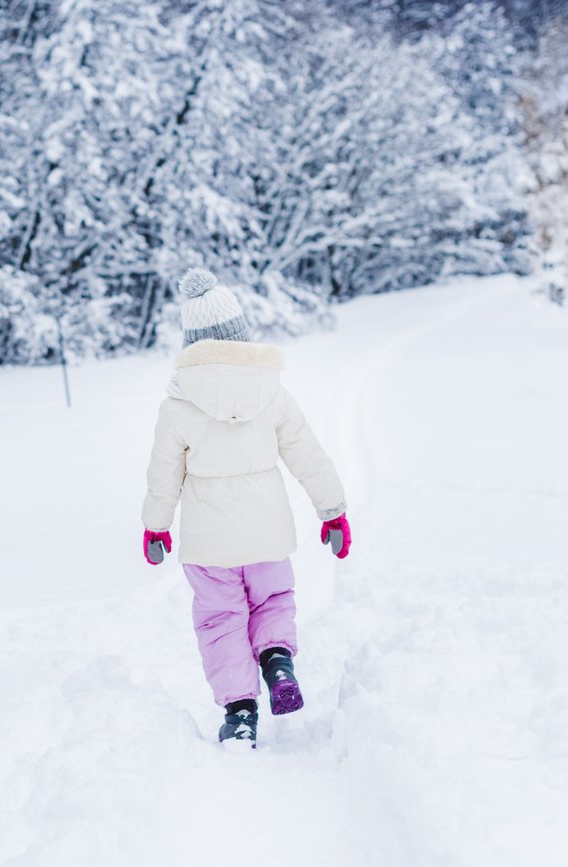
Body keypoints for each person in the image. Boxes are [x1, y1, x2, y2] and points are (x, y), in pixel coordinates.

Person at [140, 267, 351, 748]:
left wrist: (156, 527)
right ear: (241, 333)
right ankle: (277, 660)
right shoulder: (272, 392)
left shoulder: (177, 404)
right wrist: (332, 510)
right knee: (272, 601)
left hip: (209, 544)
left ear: (192, 343)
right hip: (267, 535)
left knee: (220, 619)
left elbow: (162, 475)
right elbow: (307, 454)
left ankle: (240, 713)